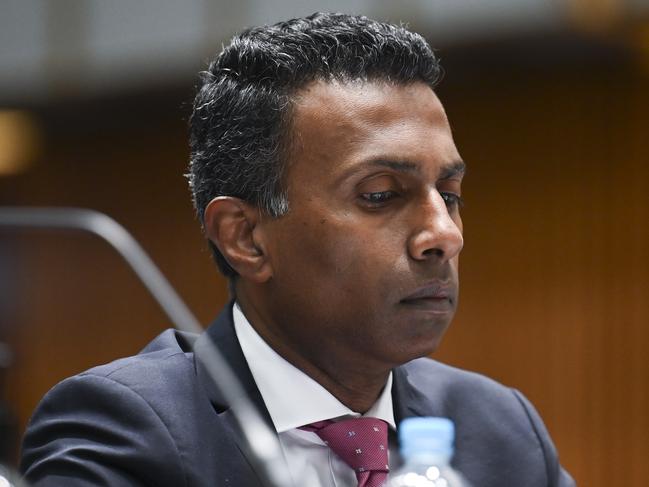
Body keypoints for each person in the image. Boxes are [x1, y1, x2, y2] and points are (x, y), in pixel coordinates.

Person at [20, 12, 575, 487]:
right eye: (381, 195)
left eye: (449, 196)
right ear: (245, 236)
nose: (444, 234)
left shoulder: (499, 430)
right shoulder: (126, 427)